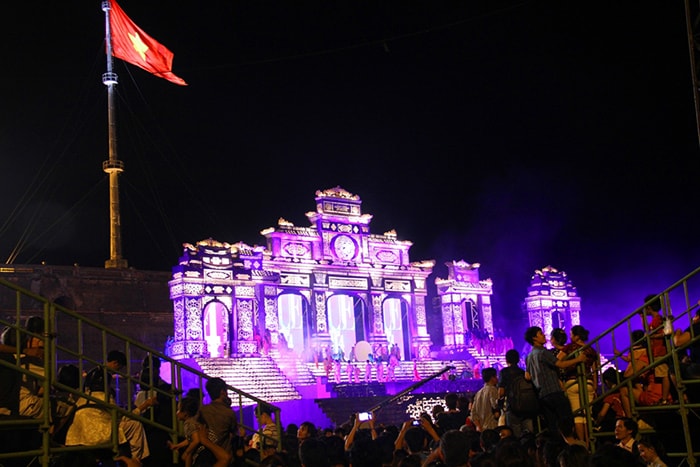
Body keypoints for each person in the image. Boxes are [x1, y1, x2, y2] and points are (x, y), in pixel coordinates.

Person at [524, 326, 586, 438]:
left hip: (542, 395)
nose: (544, 335)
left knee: (553, 425)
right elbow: (560, 364)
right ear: (534, 338)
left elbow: (527, 376)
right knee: (566, 420)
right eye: (540, 333)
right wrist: (578, 359)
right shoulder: (543, 352)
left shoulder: (529, 356)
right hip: (554, 391)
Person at [557, 325, 598, 445]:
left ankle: (582, 442)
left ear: (576, 336)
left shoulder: (569, 348)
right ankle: (590, 441)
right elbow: (594, 369)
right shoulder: (591, 350)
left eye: (571, 334)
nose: (570, 337)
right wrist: (595, 386)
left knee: (577, 415)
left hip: (573, 382)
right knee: (587, 415)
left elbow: (558, 361)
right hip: (588, 382)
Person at [641, 294, 671, 404]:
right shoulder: (654, 320)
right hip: (655, 352)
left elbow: (666, 332)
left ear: (649, 307)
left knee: (664, 375)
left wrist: (652, 336)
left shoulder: (659, 319)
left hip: (660, 351)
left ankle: (664, 399)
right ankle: (663, 397)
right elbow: (647, 330)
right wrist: (642, 318)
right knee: (660, 375)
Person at [497, 349, 534, 438]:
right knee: (529, 433)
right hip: (526, 405)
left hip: (512, 406)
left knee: (515, 434)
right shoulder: (522, 372)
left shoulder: (504, 372)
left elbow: (501, 392)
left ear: (506, 360)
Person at [198, 377, 238, 460]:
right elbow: (233, 431)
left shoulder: (203, 410)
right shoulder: (229, 413)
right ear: (222, 392)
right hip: (223, 454)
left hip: (206, 454)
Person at [469, 367, 500, 432]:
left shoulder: (478, 392)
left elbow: (473, 413)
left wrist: (478, 426)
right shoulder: (493, 390)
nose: (497, 378)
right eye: (496, 376)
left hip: (481, 428)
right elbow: (495, 405)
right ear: (492, 378)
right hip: (492, 425)